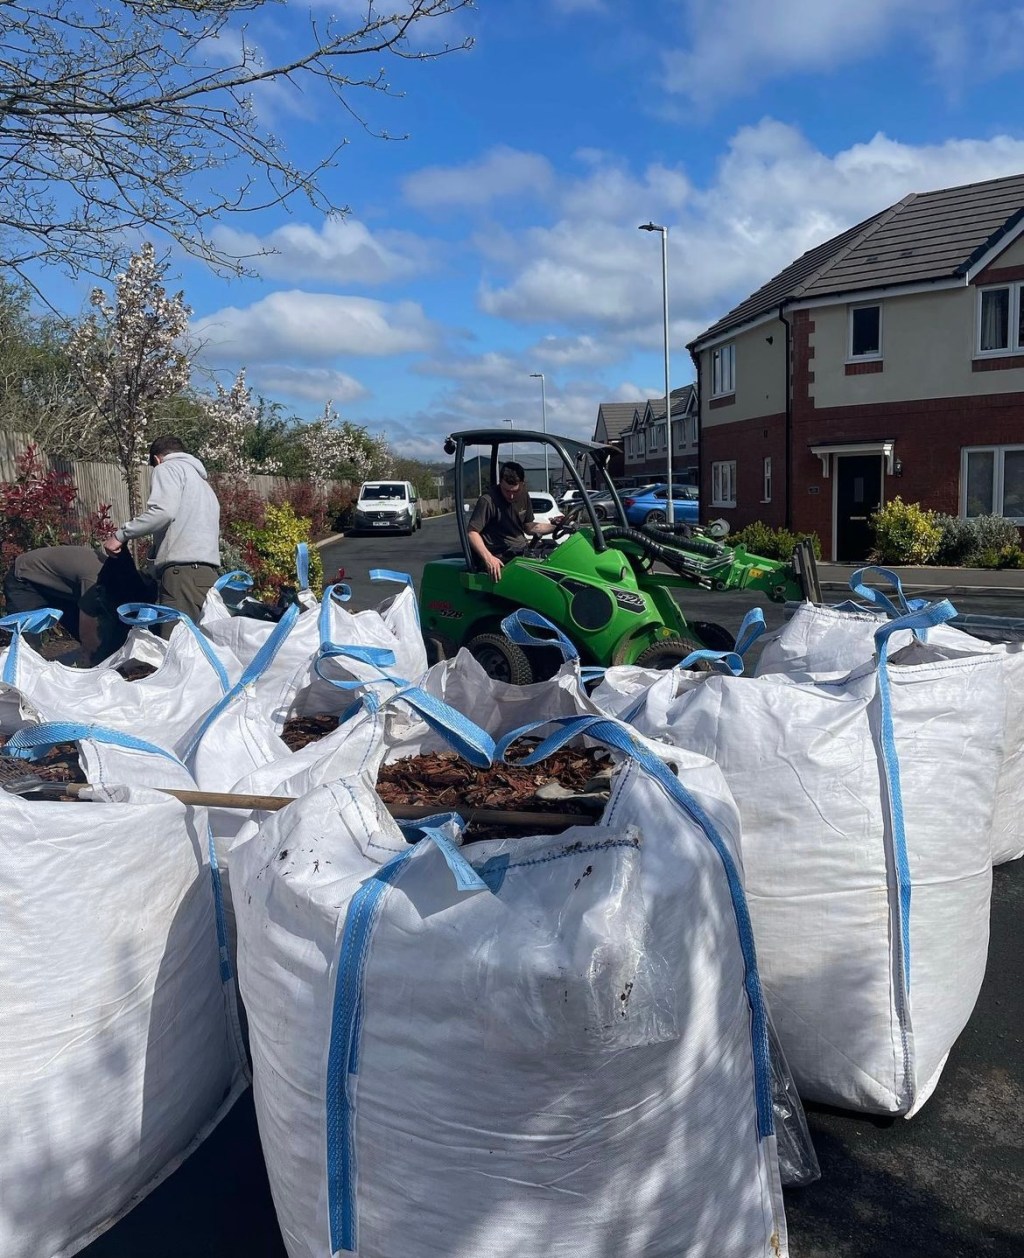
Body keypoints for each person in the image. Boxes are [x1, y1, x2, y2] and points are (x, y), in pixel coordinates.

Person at [104, 435, 220, 631]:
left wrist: (120, 535)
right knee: (200, 650)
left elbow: (162, 512)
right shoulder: (203, 485)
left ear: (157, 459)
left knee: (174, 650)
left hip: (181, 577)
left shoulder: (167, 468)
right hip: (207, 577)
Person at [3, 544, 104, 659]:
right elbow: (88, 632)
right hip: (25, 581)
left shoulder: (113, 576)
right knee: (26, 649)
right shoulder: (94, 580)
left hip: (62, 588)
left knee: (101, 637)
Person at [466, 460, 557, 581]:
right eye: (506, 491)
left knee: (554, 549)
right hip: (499, 553)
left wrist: (556, 527)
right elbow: (472, 532)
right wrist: (489, 558)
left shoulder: (524, 495)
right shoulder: (488, 501)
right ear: (500, 484)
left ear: (522, 484)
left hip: (519, 548)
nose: (511, 496)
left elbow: (529, 528)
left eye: (515, 491)